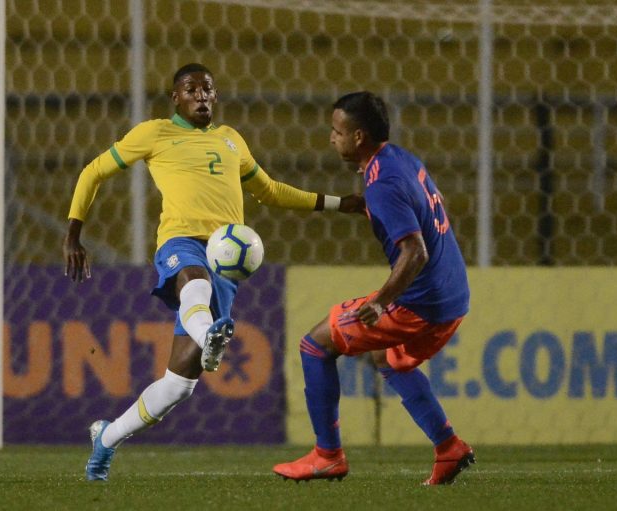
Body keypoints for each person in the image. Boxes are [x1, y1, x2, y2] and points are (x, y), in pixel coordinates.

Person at [63, 63, 365, 482]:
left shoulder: (231, 140)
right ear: (176, 98)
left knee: (177, 386)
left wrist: (338, 204)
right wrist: (74, 233)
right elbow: (93, 171)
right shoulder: (153, 134)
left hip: (225, 256)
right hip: (180, 242)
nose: (202, 95)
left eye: (208, 88)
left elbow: (271, 191)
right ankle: (211, 337)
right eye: (192, 89)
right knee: (195, 284)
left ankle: (107, 438)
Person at [272, 91, 474, 485]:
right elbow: (430, 203)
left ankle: (327, 456)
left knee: (315, 345)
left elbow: (415, 252)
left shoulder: (383, 184)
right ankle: (448, 448)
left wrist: (382, 302)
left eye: (337, 131)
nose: (332, 138)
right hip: (455, 296)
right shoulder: (400, 159)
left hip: (421, 303)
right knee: (389, 359)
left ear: (359, 136)